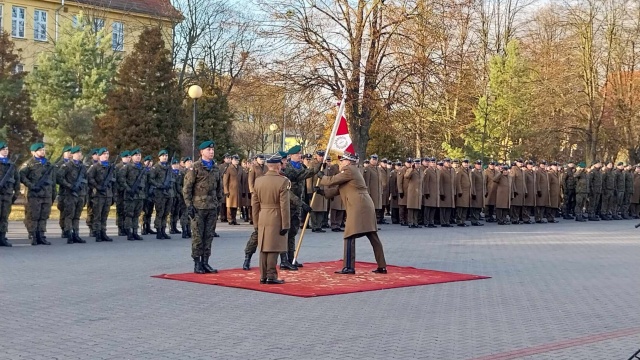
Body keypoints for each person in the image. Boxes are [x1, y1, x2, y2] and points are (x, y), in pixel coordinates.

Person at [318, 151, 387, 274]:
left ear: (348, 161)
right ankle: (382, 265)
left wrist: (320, 176)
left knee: (349, 235)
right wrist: (322, 192)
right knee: (372, 235)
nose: (341, 162)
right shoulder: (352, 171)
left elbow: (331, 181)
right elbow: (338, 189)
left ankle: (349, 267)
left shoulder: (349, 170)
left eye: (342, 160)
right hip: (364, 204)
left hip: (359, 206)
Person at [183, 141, 223, 274]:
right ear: (201, 152)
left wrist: (218, 203)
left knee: (209, 236)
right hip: (198, 207)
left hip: (211, 207)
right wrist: (189, 205)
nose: (211, 151)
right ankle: (197, 263)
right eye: (208, 149)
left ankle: (206, 262)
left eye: (212, 149)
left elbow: (219, 188)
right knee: (197, 236)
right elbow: (187, 188)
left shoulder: (216, 168)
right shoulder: (195, 168)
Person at [251, 154, 290, 284]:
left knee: (263, 246)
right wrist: (286, 224)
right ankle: (271, 275)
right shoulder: (283, 181)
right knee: (274, 246)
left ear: (268, 166)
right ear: (278, 166)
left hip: (263, 215)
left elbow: (255, 204)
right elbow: (284, 205)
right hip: (276, 215)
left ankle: (263, 275)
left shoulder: (258, 181)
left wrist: (255, 221)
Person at [20, 142, 56, 245]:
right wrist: (31, 185)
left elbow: (53, 180)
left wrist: (53, 193)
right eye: (40, 150)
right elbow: (22, 176)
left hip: (47, 194)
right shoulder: (29, 163)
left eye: (43, 150)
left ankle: (41, 235)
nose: (43, 152)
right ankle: (33, 235)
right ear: (33, 152)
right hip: (34, 195)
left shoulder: (48, 164)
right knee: (34, 216)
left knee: (44, 215)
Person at [58, 146, 88, 244]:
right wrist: (69, 186)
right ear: (72, 155)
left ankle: (76, 234)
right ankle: (69, 234)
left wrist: (84, 193)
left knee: (77, 216)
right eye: (77, 153)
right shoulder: (66, 166)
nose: (80, 154)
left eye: (80, 153)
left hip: (80, 194)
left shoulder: (83, 167)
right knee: (69, 215)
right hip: (70, 194)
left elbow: (86, 180)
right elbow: (59, 178)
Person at [86, 148, 116, 242]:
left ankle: (103, 232)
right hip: (98, 195)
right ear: (99, 155)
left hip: (108, 194)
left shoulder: (110, 167)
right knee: (97, 215)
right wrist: (97, 186)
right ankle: (97, 233)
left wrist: (112, 195)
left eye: (107, 153)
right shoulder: (95, 167)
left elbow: (114, 181)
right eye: (103, 154)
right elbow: (89, 178)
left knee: (104, 215)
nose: (106, 155)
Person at [120, 149, 146, 240]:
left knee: (137, 214)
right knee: (129, 214)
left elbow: (144, 181)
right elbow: (121, 179)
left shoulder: (142, 168)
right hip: (130, 195)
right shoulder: (127, 167)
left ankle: (135, 231)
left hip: (140, 195)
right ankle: (129, 232)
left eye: (139, 155)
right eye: (136, 155)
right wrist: (128, 189)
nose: (138, 157)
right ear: (131, 157)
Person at [149, 150, 176, 239]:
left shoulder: (169, 167)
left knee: (166, 213)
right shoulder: (155, 167)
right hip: (160, 194)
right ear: (159, 157)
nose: (165, 157)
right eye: (163, 155)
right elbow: (151, 179)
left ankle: (164, 230)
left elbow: (172, 179)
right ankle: (158, 231)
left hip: (169, 193)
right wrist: (160, 186)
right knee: (160, 212)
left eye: (166, 155)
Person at [0, 141, 20, 247]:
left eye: (6, 149)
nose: (5, 151)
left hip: (7, 194)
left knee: (4, 216)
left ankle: (2, 237)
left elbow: (17, 179)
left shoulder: (11, 164)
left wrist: (16, 192)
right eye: (3, 149)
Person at [223, 154, 243, 225]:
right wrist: (226, 190)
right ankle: (230, 219)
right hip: (230, 189)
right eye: (235, 160)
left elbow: (242, 180)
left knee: (236, 205)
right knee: (230, 205)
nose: (236, 161)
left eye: (237, 160)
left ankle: (234, 219)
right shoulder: (228, 168)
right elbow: (225, 180)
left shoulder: (240, 168)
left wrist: (242, 190)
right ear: (232, 160)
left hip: (238, 189)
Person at [115, 150, 131, 236]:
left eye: (129, 157)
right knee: (120, 210)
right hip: (120, 192)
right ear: (122, 158)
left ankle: (126, 227)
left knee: (127, 210)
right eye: (126, 157)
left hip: (128, 192)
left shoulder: (131, 167)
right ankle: (120, 228)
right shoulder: (117, 167)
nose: (128, 159)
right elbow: (116, 179)